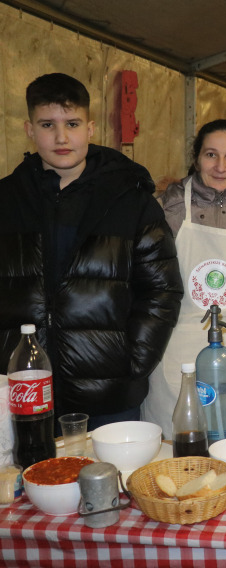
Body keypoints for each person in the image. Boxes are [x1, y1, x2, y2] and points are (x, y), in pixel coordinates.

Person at [0, 73, 182, 430]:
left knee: (109, 483)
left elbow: (162, 288)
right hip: (23, 389)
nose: (61, 137)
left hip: (109, 395)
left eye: (72, 123)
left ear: (91, 128)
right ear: (29, 129)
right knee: (30, 484)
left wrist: (132, 362)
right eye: (47, 124)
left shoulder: (131, 201)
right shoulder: (6, 200)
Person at [142, 119, 226, 439]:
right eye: (211, 155)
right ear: (195, 157)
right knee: (181, 456)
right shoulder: (167, 208)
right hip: (179, 348)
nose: (220, 166)